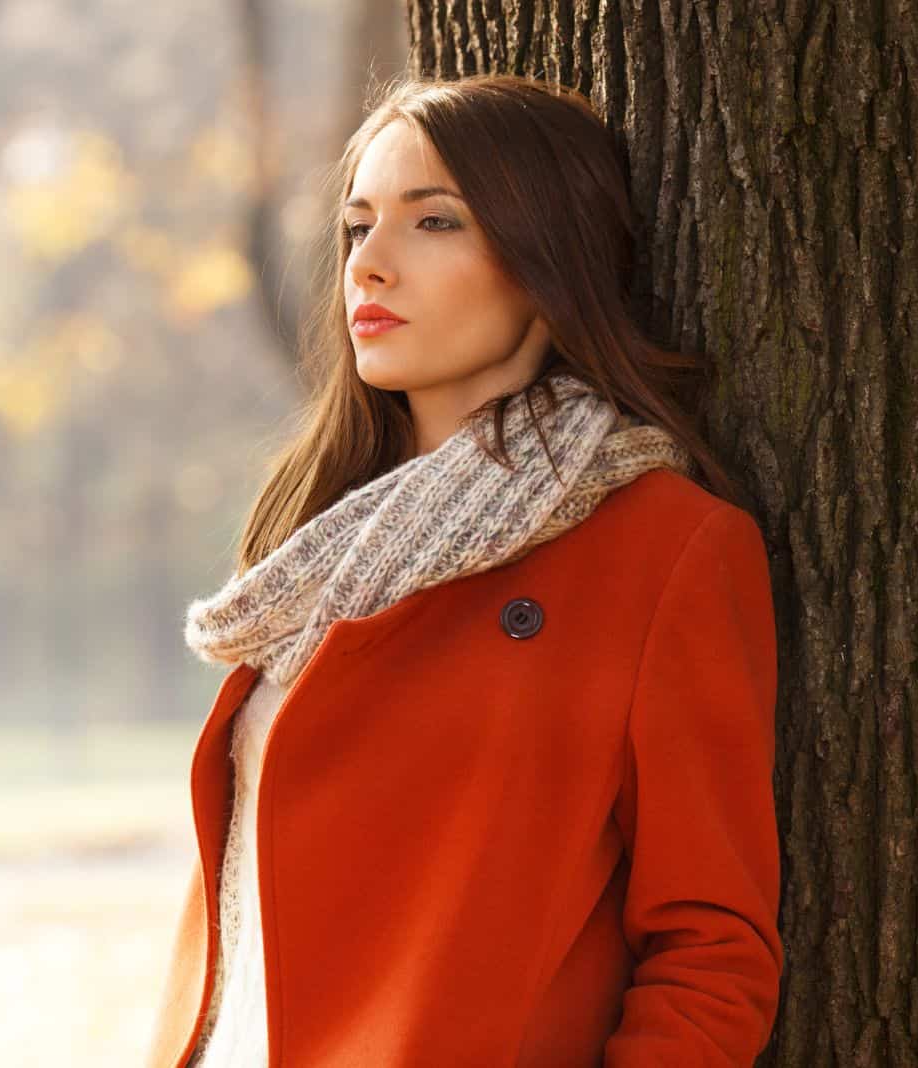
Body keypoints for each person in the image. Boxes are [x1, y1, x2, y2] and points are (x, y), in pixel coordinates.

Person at [145, 72, 784, 1068]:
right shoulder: (318, 547)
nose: (372, 266)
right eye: (357, 227)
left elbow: (710, 950)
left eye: (432, 222)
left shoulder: (662, 547)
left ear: (545, 261)